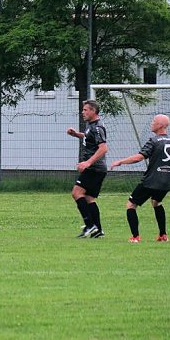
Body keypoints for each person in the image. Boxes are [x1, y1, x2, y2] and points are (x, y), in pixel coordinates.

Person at [111, 114, 170, 243]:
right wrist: (166, 167)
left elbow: (139, 157)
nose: (152, 123)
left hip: (151, 181)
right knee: (156, 203)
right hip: (166, 182)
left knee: (130, 205)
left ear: (161, 125)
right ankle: (163, 235)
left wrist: (121, 162)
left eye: (154, 121)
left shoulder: (153, 141)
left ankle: (135, 237)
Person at [66, 99, 108, 238]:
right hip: (98, 169)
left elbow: (103, 148)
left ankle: (90, 225)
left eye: (85, 110)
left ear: (93, 111)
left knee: (76, 193)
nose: (82, 112)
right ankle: (98, 230)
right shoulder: (91, 126)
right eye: (83, 110)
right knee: (89, 198)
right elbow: (88, 137)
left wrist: (87, 163)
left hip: (94, 168)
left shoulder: (97, 127)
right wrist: (76, 134)